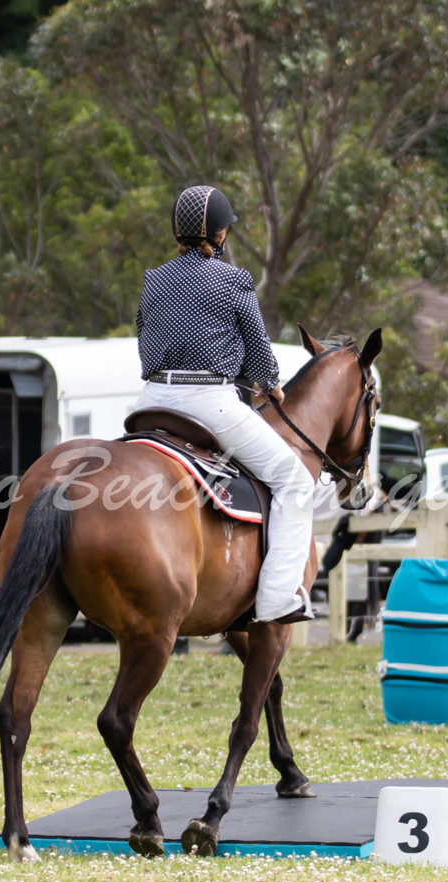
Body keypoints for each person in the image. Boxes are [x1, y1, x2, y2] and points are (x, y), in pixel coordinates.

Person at [134, 184, 315, 624]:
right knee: (296, 482)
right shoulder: (232, 279)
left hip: (151, 398)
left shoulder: (154, 278)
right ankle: (278, 600)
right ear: (220, 235)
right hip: (208, 401)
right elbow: (258, 348)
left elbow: (144, 339)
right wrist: (270, 384)